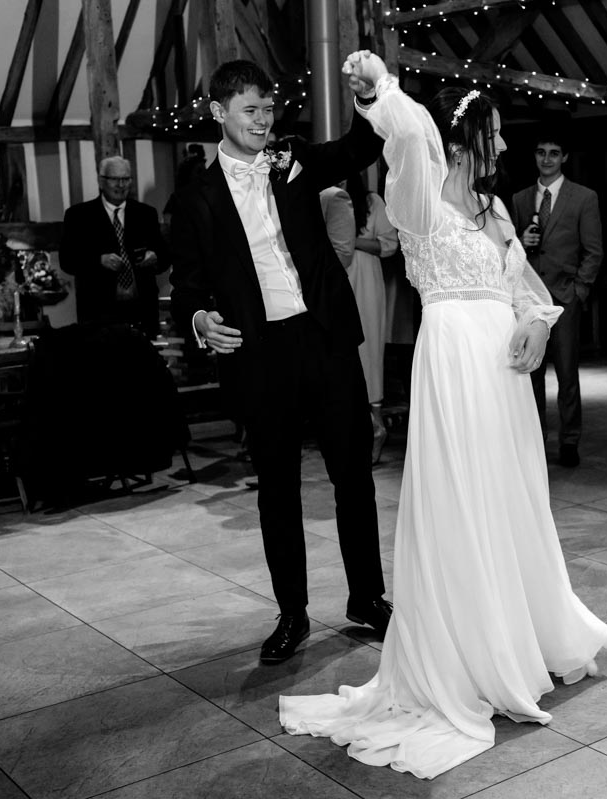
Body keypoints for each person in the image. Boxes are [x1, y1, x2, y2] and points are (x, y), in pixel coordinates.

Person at [279, 51, 607, 780]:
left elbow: (524, 287)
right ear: (465, 140)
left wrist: (537, 324)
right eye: (492, 136)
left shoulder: (496, 210)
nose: (501, 149)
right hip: (455, 360)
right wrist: (381, 86)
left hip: (505, 372)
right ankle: (469, 655)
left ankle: (520, 640)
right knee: (461, 504)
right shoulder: (421, 196)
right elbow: (408, 134)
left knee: (509, 500)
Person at [168, 59, 389, 665]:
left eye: (268, 109)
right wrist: (198, 319)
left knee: (353, 476)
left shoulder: (294, 158)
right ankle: (292, 613)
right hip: (260, 354)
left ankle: (368, 598)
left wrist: (369, 98)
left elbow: (360, 146)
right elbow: (186, 286)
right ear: (218, 113)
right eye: (250, 111)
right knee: (278, 490)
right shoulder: (194, 199)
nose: (263, 121)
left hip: (325, 339)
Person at [510, 133, 602, 467]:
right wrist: (522, 240)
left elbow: (594, 251)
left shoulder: (583, 197)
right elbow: (508, 249)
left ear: (564, 157)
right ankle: (533, 438)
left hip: (565, 296)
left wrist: (580, 289)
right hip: (530, 299)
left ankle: (569, 440)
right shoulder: (520, 199)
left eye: (554, 153)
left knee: (567, 373)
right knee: (530, 372)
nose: (547, 158)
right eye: (540, 152)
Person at [60, 156, 170, 337]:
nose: (121, 185)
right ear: (101, 181)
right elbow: (67, 260)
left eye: (126, 179)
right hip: (98, 313)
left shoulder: (145, 214)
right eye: (115, 179)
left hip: (142, 312)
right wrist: (98, 261)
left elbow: (165, 256)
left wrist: (154, 257)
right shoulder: (79, 216)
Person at [345, 172, 400, 464]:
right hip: (335, 281)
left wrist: (350, 241)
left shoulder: (371, 202)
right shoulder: (321, 198)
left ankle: (376, 426)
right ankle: (349, 429)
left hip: (365, 279)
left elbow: (389, 245)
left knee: (368, 350)